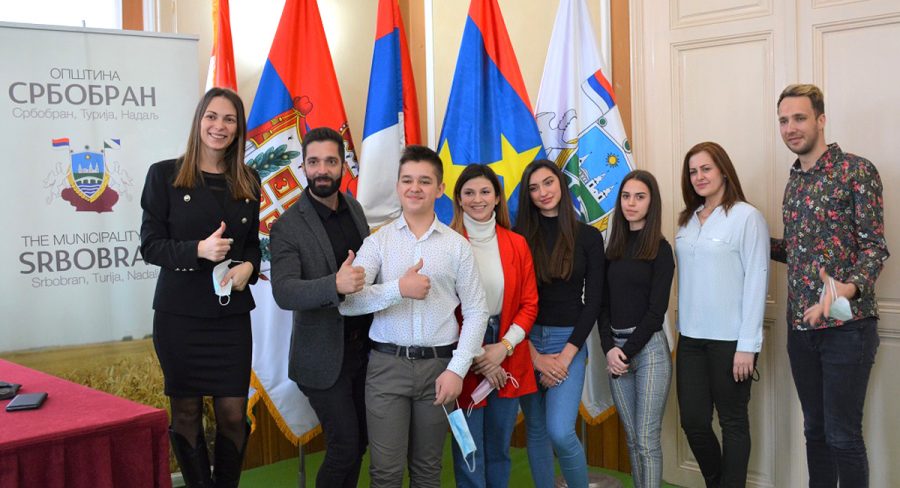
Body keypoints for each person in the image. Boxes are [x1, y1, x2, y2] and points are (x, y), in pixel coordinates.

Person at [338, 145, 488, 488]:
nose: (415, 187)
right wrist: (398, 289)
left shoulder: (457, 246)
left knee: (427, 471)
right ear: (397, 186)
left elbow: (476, 311)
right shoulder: (377, 243)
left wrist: (457, 370)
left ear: (440, 188)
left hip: (440, 369)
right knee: (385, 473)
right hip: (386, 368)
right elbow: (348, 303)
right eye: (407, 180)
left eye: (424, 181)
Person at [140, 87, 261, 488]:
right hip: (180, 318)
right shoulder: (164, 175)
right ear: (199, 121)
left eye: (229, 119)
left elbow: (251, 247)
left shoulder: (248, 180)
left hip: (230, 318)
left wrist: (249, 268)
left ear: (238, 128)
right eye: (212, 116)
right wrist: (198, 250)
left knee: (233, 414)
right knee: (187, 413)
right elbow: (150, 246)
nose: (219, 126)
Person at [773, 84, 888, 487]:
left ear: (821, 120)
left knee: (843, 436)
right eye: (783, 120)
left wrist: (844, 289)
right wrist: (746, 237)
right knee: (816, 432)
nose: (790, 128)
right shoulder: (794, 183)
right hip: (801, 329)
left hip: (847, 327)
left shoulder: (857, 171)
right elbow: (796, 250)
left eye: (799, 118)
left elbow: (874, 248)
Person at [268, 127, 372, 488]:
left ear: (343, 165)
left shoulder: (354, 208)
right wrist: (334, 285)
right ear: (303, 166)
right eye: (314, 162)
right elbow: (284, 292)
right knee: (345, 447)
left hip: (363, 351)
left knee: (359, 444)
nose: (322, 170)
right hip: (321, 360)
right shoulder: (287, 226)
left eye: (330, 161)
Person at [674, 141, 769, 487]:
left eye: (706, 169)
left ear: (724, 171)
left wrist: (748, 345)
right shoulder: (687, 220)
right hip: (690, 339)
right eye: (693, 171)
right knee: (693, 422)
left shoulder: (747, 217)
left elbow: (757, 279)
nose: (699, 177)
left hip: (731, 341)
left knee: (733, 422)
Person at [515, 159, 605, 488]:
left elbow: (593, 302)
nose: (543, 192)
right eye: (534, 188)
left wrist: (566, 356)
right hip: (526, 342)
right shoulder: (519, 237)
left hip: (569, 342)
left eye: (548, 183)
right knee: (537, 431)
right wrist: (535, 356)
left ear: (561, 184)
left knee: (560, 431)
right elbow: (511, 302)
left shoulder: (588, 237)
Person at [448, 164, 539, 488]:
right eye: (469, 193)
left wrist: (503, 348)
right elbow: (443, 309)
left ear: (497, 197)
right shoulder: (447, 242)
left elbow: (529, 304)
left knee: (500, 447)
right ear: (458, 199)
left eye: (485, 191)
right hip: (460, 355)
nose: (478, 199)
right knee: (467, 448)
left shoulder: (517, 243)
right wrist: (477, 356)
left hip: (507, 352)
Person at [599, 170, 674, 488]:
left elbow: (656, 313)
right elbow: (602, 305)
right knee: (632, 438)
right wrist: (609, 349)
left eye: (639, 197)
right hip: (616, 352)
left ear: (651, 203)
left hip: (649, 351)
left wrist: (625, 353)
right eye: (626, 196)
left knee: (646, 439)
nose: (631, 203)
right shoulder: (612, 248)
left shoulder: (661, 249)